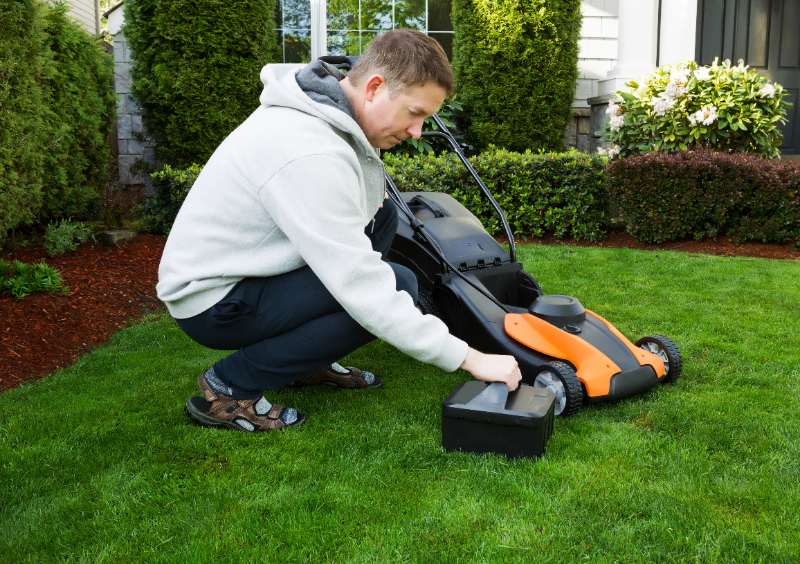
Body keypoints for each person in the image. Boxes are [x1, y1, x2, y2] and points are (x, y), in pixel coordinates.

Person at [156, 29, 521, 432]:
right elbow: (362, 287)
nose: (417, 131)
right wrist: (471, 357)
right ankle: (229, 388)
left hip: (248, 271)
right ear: (375, 87)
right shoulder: (307, 149)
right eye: (415, 114)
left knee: (381, 220)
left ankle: (304, 362)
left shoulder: (328, 112)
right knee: (395, 287)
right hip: (213, 300)